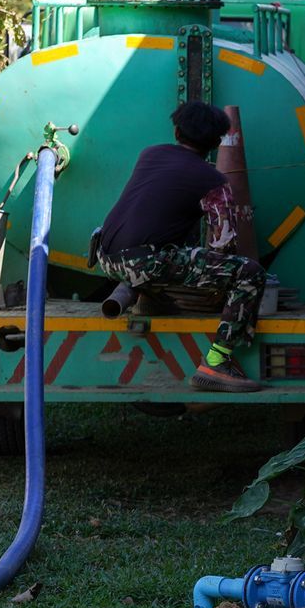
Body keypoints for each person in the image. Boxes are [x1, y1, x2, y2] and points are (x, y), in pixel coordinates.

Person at [93, 102, 267, 393]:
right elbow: (224, 245)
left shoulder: (149, 154)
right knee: (250, 273)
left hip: (106, 257)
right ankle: (217, 362)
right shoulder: (214, 181)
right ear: (215, 143)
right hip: (145, 261)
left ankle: (151, 297)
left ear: (176, 131)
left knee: (177, 248)